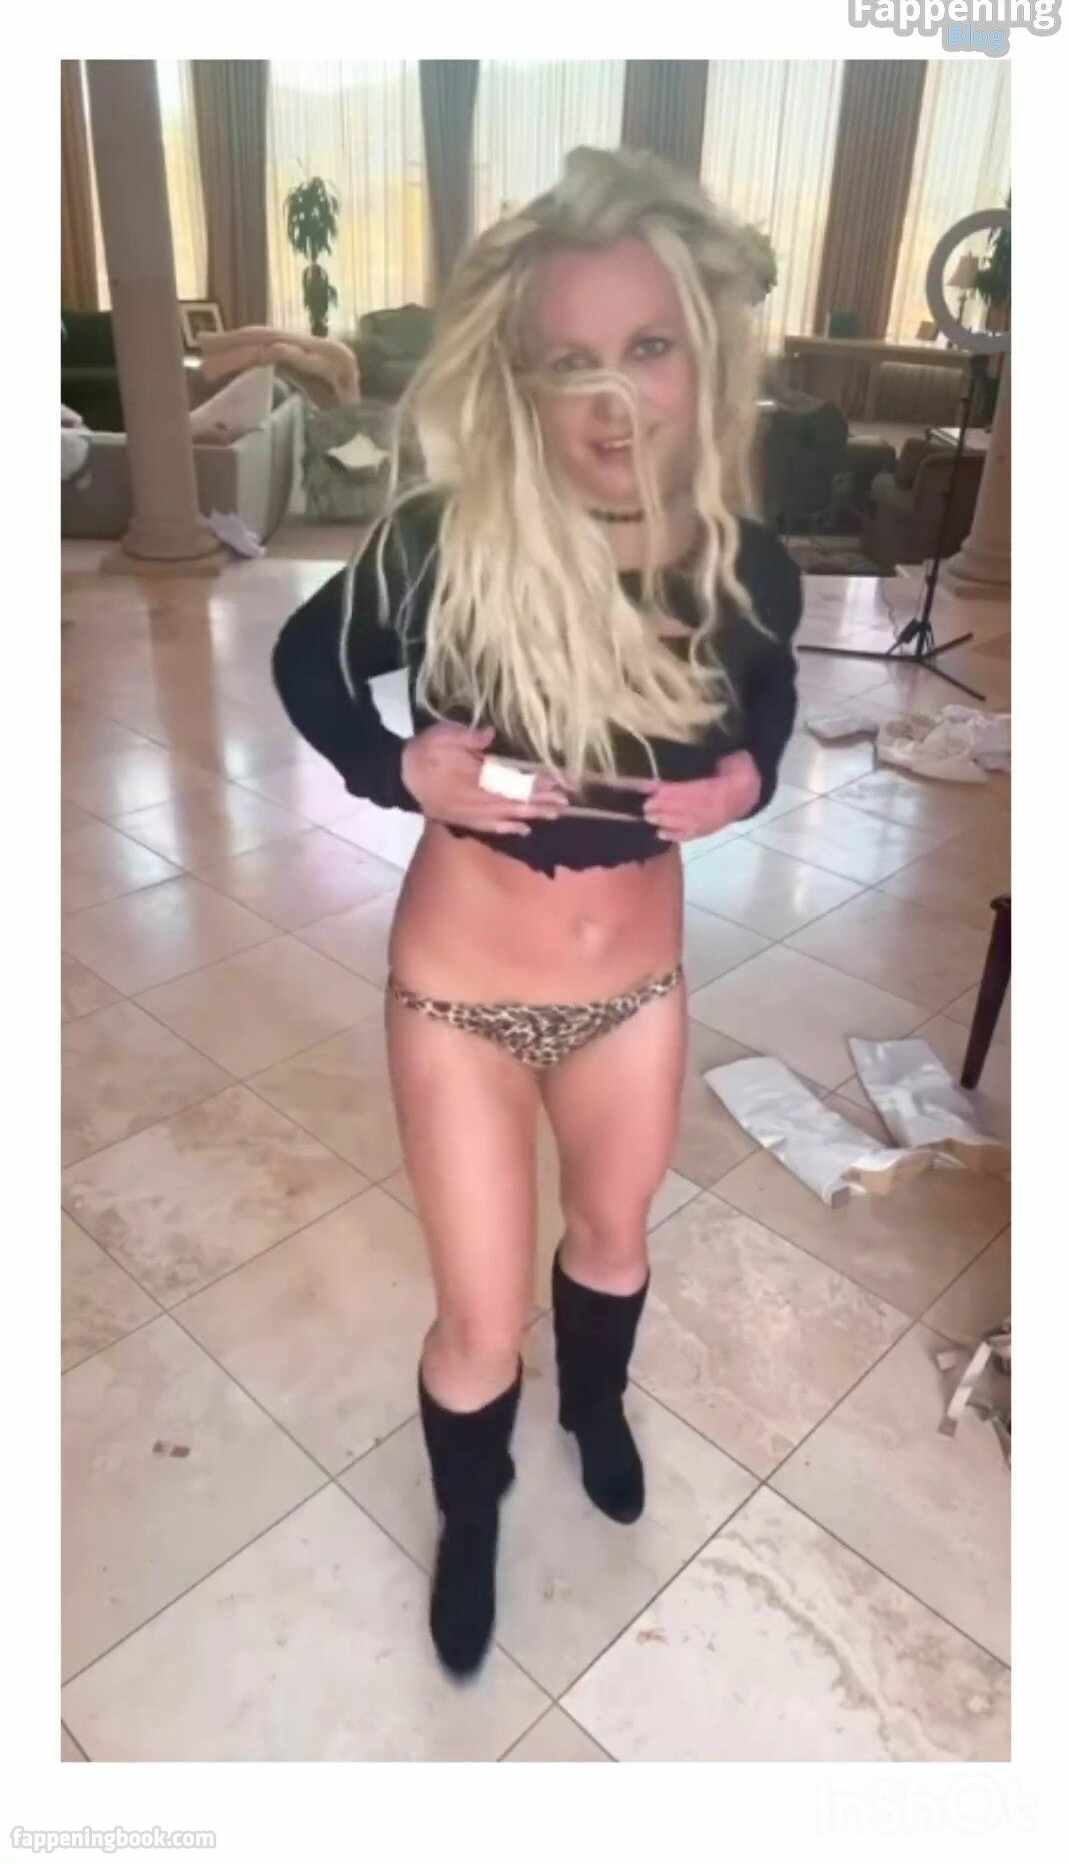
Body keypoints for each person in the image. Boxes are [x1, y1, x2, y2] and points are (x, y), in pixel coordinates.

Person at [272, 146, 802, 1680]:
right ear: (520, 381)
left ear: (708, 359)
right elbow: (307, 662)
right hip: (462, 996)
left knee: (616, 1239)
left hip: (637, 992)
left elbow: (769, 700)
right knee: (479, 1316)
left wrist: (747, 782)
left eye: (650, 346)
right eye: (572, 361)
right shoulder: (443, 543)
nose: (614, 399)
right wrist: (397, 765)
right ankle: (472, 1512)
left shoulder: (744, 567)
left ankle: (598, 1407)